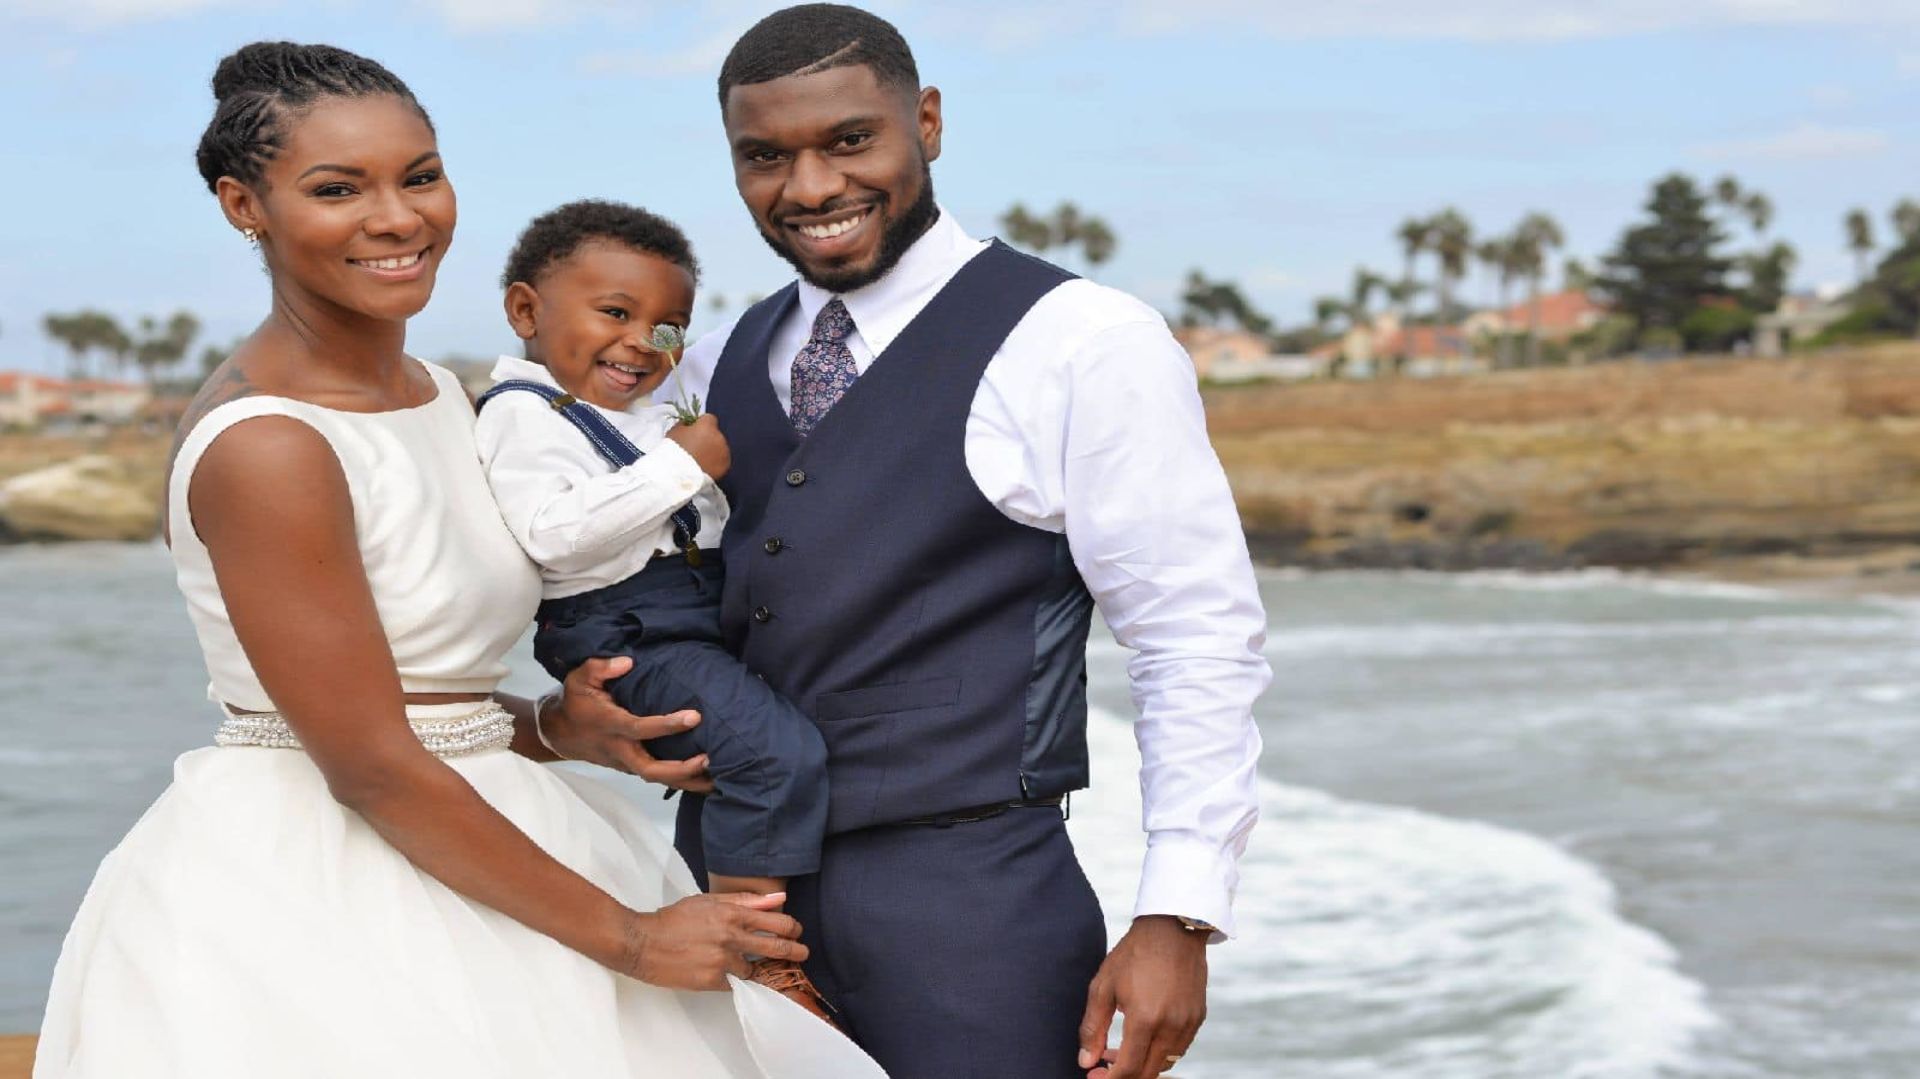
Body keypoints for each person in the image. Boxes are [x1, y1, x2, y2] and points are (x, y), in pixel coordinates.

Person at [33, 41, 882, 1078]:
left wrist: (556, 726)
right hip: (323, 898)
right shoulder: (269, 445)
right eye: (337, 188)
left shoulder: (448, 395)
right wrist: (632, 936)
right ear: (242, 205)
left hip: (505, 840)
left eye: (420, 175)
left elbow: (431, 686)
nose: (399, 218)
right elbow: (370, 763)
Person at [541, 6, 1271, 1078]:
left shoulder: (1084, 341)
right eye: (765, 156)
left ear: (925, 122)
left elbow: (1193, 633)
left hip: (971, 907)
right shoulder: (720, 355)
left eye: (849, 140)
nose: (811, 187)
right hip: (730, 902)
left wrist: (1179, 912)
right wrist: (575, 718)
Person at [473, 199, 835, 1021]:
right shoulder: (524, 417)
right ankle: (755, 954)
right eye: (615, 313)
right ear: (526, 310)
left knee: (763, 748)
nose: (645, 342)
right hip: (625, 629)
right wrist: (678, 468)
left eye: (669, 326)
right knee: (775, 754)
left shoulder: (625, 420)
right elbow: (552, 536)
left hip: (685, 620)